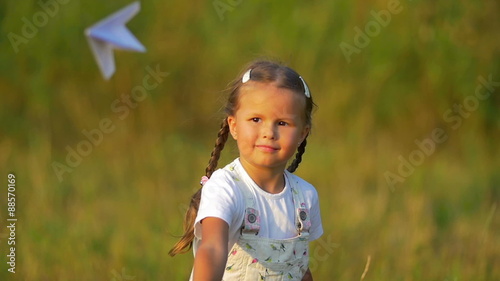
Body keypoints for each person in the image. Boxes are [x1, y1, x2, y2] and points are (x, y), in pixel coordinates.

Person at [169, 60, 323, 281]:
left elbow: (300, 269)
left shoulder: (305, 197)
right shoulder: (225, 188)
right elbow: (212, 250)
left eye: (282, 123)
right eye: (256, 119)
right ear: (233, 125)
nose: (268, 132)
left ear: (302, 133)